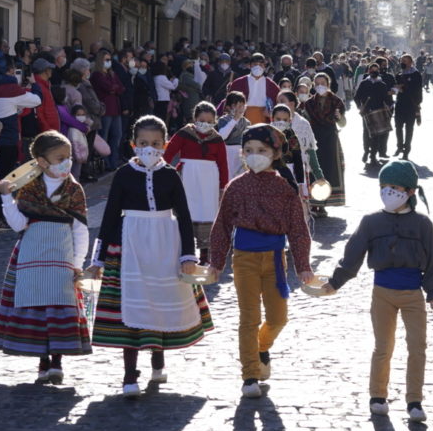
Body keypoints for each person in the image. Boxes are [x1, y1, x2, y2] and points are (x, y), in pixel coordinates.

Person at [89, 115, 215, 398]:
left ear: (166, 144)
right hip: (128, 243)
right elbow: (110, 216)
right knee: (130, 307)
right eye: (144, 143)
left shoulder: (171, 174)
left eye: (156, 144)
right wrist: (98, 259)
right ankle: (129, 374)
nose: (150, 148)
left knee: (159, 302)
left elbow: (184, 216)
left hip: (164, 243)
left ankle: (158, 360)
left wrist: (187, 255)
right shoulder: (123, 174)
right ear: (134, 144)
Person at [325, 159, 433, 421]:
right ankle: (377, 395)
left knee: (417, 347)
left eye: (396, 187)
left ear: (410, 191)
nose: (390, 191)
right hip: (382, 293)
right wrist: (335, 282)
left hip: (413, 294)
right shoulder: (371, 222)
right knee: (383, 346)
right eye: (385, 186)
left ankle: (414, 400)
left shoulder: (423, 224)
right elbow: (352, 254)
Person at [207, 125, 314, 400]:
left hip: (275, 260)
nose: (255, 156)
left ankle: (261, 348)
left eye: (262, 151)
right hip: (244, 259)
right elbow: (222, 226)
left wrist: (303, 264)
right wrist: (216, 262)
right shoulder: (236, 187)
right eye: (250, 151)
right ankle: (250, 374)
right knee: (249, 318)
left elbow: (298, 228)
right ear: (243, 154)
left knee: (278, 318)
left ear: (275, 153)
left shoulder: (284, 188)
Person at [0, 130, 92, 382]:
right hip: (32, 255)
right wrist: (6, 197)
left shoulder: (74, 189)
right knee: (37, 304)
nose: (67, 162)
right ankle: (42, 361)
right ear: (42, 161)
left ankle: (57, 360)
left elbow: (80, 229)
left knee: (60, 304)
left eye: (68, 156)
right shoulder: (29, 187)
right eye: (60, 157)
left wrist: (78, 264)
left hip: (62, 256)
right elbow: (18, 224)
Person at [164, 102, 230, 265]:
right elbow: (168, 152)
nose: (205, 124)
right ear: (195, 118)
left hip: (209, 181)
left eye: (209, 121)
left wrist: (224, 186)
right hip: (187, 178)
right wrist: (164, 172)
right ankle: (185, 251)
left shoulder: (217, 139)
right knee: (185, 210)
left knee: (208, 212)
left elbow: (223, 164)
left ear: (214, 121)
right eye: (201, 120)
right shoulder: (184, 133)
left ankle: (205, 255)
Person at [300, 72, 346, 210]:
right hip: (313, 139)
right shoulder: (309, 103)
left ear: (328, 84)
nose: (320, 86)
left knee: (329, 169)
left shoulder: (337, 102)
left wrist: (339, 117)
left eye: (323, 84)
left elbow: (343, 124)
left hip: (330, 139)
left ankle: (325, 203)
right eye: (317, 84)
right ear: (313, 85)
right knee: (314, 169)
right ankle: (315, 203)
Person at [91, 50, 125, 172]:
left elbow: (120, 88)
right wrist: (113, 88)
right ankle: (104, 163)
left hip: (116, 109)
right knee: (104, 136)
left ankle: (113, 162)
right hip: (105, 109)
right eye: (106, 59)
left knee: (117, 135)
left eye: (110, 59)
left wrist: (114, 88)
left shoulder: (112, 74)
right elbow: (108, 87)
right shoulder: (97, 75)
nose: (109, 62)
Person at [354, 61, 393, 166]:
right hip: (366, 112)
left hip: (378, 112)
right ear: (369, 71)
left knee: (376, 135)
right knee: (366, 133)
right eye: (372, 70)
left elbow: (387, 99)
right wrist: (360, 106)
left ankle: (373, 156)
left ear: (378, 72)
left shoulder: (382, 84)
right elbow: (356, 97)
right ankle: (366, 151)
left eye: (376, 70)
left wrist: (390, 105)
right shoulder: (364, 83)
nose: (374, 72)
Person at [228, 53, 279, 125]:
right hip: (242, 118)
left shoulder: (272, 85)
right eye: (255, 64)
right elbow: (230, 102)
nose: (258, 67)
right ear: (250, 65)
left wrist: (271, 112)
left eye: (261, 65)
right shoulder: (238, 83)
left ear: (264, 67)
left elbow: (277, 103)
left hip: (264, 119)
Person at [393, 54, 424, 159]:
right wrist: (396, 89)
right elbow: (395, 87)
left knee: (409, 128)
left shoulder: (416, 74)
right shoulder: (398, 74)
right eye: (402, 60)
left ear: (411, 62)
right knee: (398, 126)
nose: (403, 62)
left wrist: (404, 87)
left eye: (405, 61)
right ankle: (399, 146)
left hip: (411, 104)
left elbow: (417, 88)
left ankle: (407, 149)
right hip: (400, 103)